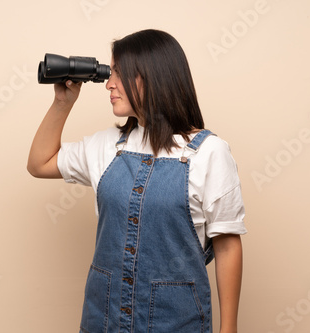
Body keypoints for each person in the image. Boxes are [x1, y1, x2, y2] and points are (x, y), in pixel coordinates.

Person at [27, 29, 247, 333]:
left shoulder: (209, 153)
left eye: (119, 72)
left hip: (176, 323)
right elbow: (39, 163)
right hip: (104, 320)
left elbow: (227, 245)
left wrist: (229, 329)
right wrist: (63, 103)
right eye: (111, 71)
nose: (109, 83)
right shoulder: (107, 145)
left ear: (152, 76)